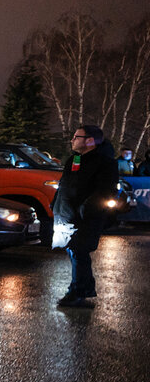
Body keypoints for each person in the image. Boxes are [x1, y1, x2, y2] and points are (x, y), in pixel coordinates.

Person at [52, 125, 118, 308]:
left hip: (85, 219)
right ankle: (83, 289)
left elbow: (104, 191)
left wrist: (84, 209)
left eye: (77, 137)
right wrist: (56, 204)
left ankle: (76, 292)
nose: (72, 140)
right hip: (66, 215)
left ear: (89, 141)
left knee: (79, 252)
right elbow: (65, 184)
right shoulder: (74, 159)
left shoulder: (105, 163)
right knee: (74, 252)